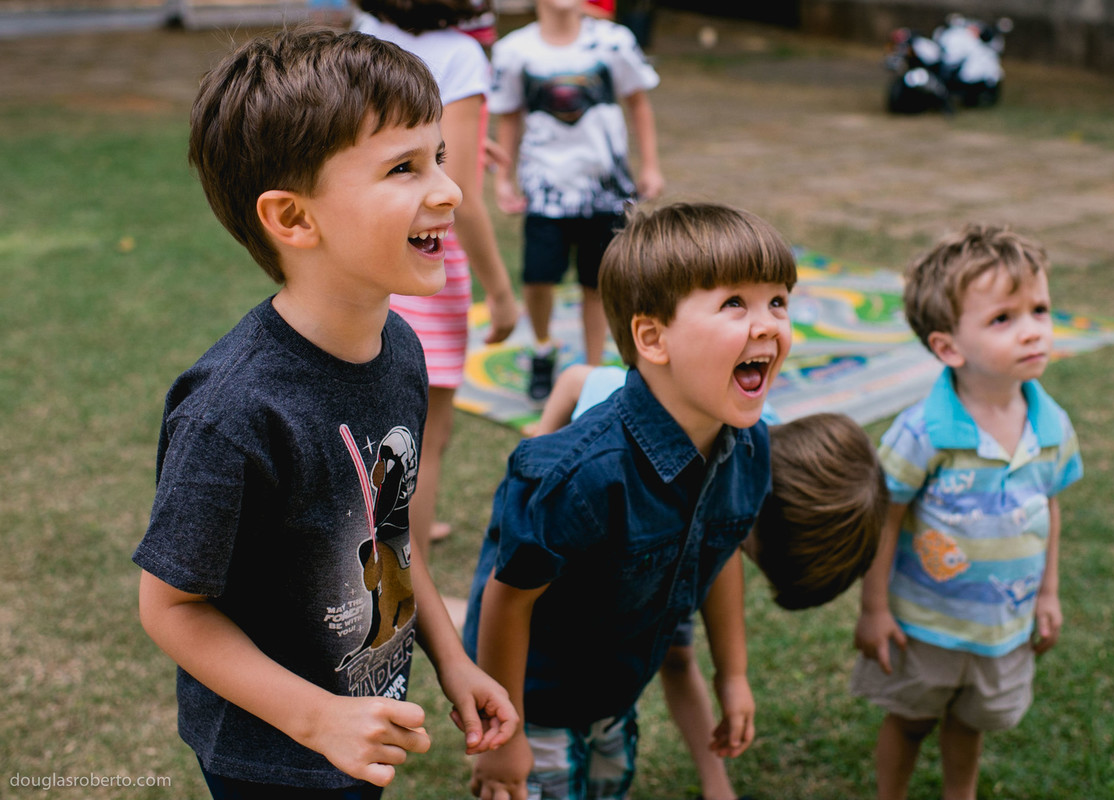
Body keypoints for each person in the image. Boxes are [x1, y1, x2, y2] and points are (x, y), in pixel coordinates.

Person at [132, 30, 518, 798]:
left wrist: (453, 659)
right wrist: (317, 720)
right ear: (294, 218)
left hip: (364, 725)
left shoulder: (401, 348)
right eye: (404, 167)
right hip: (270, 756)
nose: (448, 191)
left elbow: (392, 534)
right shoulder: (234, 411)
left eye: (439, 156)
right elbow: (170, 608)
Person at [460, 202, 796, 800]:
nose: (769, 324)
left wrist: (735, 675)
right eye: (734, 304)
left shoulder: (749, 446)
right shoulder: (582, 477)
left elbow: (717, 552)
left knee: (610, 783)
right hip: (536, 694)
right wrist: (502, 731)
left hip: (619, 684)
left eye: (778, 301)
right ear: (651, 337)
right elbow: (506, 601)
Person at [534, 364, 888, 800]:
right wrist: (537, 449)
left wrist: (732, 673)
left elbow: (724, 558)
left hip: (674, 554)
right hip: (612, 555)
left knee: (678, 654)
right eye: (749, 548)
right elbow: (573, 380)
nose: (739, 552)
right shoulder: (660, 420)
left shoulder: (755, 467)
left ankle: (716, 784)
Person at [851, 224, 1084, 800]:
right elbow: (887, 516)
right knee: (909, 722)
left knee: (970, 723)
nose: (1033, 331)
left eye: (1039, 309)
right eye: (1003, 319)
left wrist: (1048, 593)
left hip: (1002, 627)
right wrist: (874, 608)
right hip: (922, 626)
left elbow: (1048, 509)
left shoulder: (1052, 427)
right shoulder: (923, 431)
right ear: (948, 347)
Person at [355, 0, 521, 557]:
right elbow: (462, 196)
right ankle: (412, 555)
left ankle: (395, 528)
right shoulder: (461, 55)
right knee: (426, 432)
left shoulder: (365, 35)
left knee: (372, 417)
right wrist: (500, 291)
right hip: (425, 257)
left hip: (368, 248)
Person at [489, 0, 665, 399]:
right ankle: (542, 347)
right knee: (537, 277)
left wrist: (650, 165)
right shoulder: (514, 51)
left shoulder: (614, 42)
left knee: (599, 282)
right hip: (546, 190)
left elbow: (638, 102)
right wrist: (505, 177)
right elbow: (510, 114)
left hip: (605, 190)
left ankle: (591, 368)